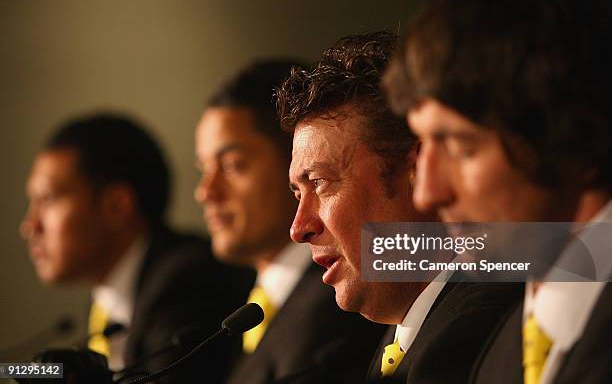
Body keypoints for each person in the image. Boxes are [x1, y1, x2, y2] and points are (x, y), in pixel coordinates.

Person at [384, 0, 612, 383]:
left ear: (573, 134)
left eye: (459, 146)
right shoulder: (503, 346)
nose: (426, 193)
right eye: (423, 149)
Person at [278, 31, 522, 383]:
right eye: (298, 193)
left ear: (419, 171)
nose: (299, 228)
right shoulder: (410, 330)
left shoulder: (470, 331)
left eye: (318, 182)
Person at [20, 112, 251, 383]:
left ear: (116, 205)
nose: (30, 226)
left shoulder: (188, 282)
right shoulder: (106, 303)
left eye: (47, 199)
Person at [194, 59, 385, 384]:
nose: (205, 192)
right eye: (203, 169)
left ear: (296, 161)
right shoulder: (233, 302)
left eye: (231, 165)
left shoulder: (343, 303)